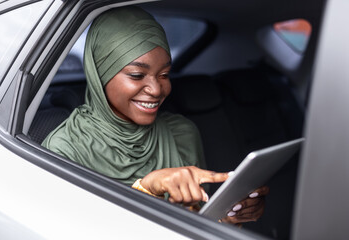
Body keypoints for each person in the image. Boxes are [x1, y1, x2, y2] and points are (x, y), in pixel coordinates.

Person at [42, 6, 268, 224]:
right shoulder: (63, 150)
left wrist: (226, 218)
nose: (157, 89)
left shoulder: (182, 132)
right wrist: (146, 190)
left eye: (164, 74)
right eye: (137, 75)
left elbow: (192, 220)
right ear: (99, 74)